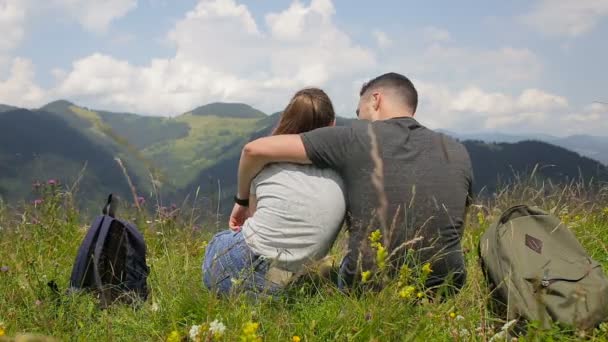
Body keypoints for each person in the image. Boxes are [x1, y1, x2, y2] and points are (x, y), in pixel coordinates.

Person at [230, 72, 473, 292]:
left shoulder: (354, 137)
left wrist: (241, 201)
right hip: (445, 286)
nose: (359, 118)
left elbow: (254, 150)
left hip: (367, 287)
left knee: (325, 272)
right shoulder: (456, 150)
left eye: (359, 112)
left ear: (375, 100)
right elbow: (456, 222)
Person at [202, 88, 346, 296]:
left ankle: (254, 291)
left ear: (285, 118)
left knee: (219, 241)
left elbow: (252, 216)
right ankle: (284, 286)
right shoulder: (339, 172)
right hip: (297, 276)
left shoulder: (266, 164)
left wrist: (240, 202)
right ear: (332, 124)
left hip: (241, 270)